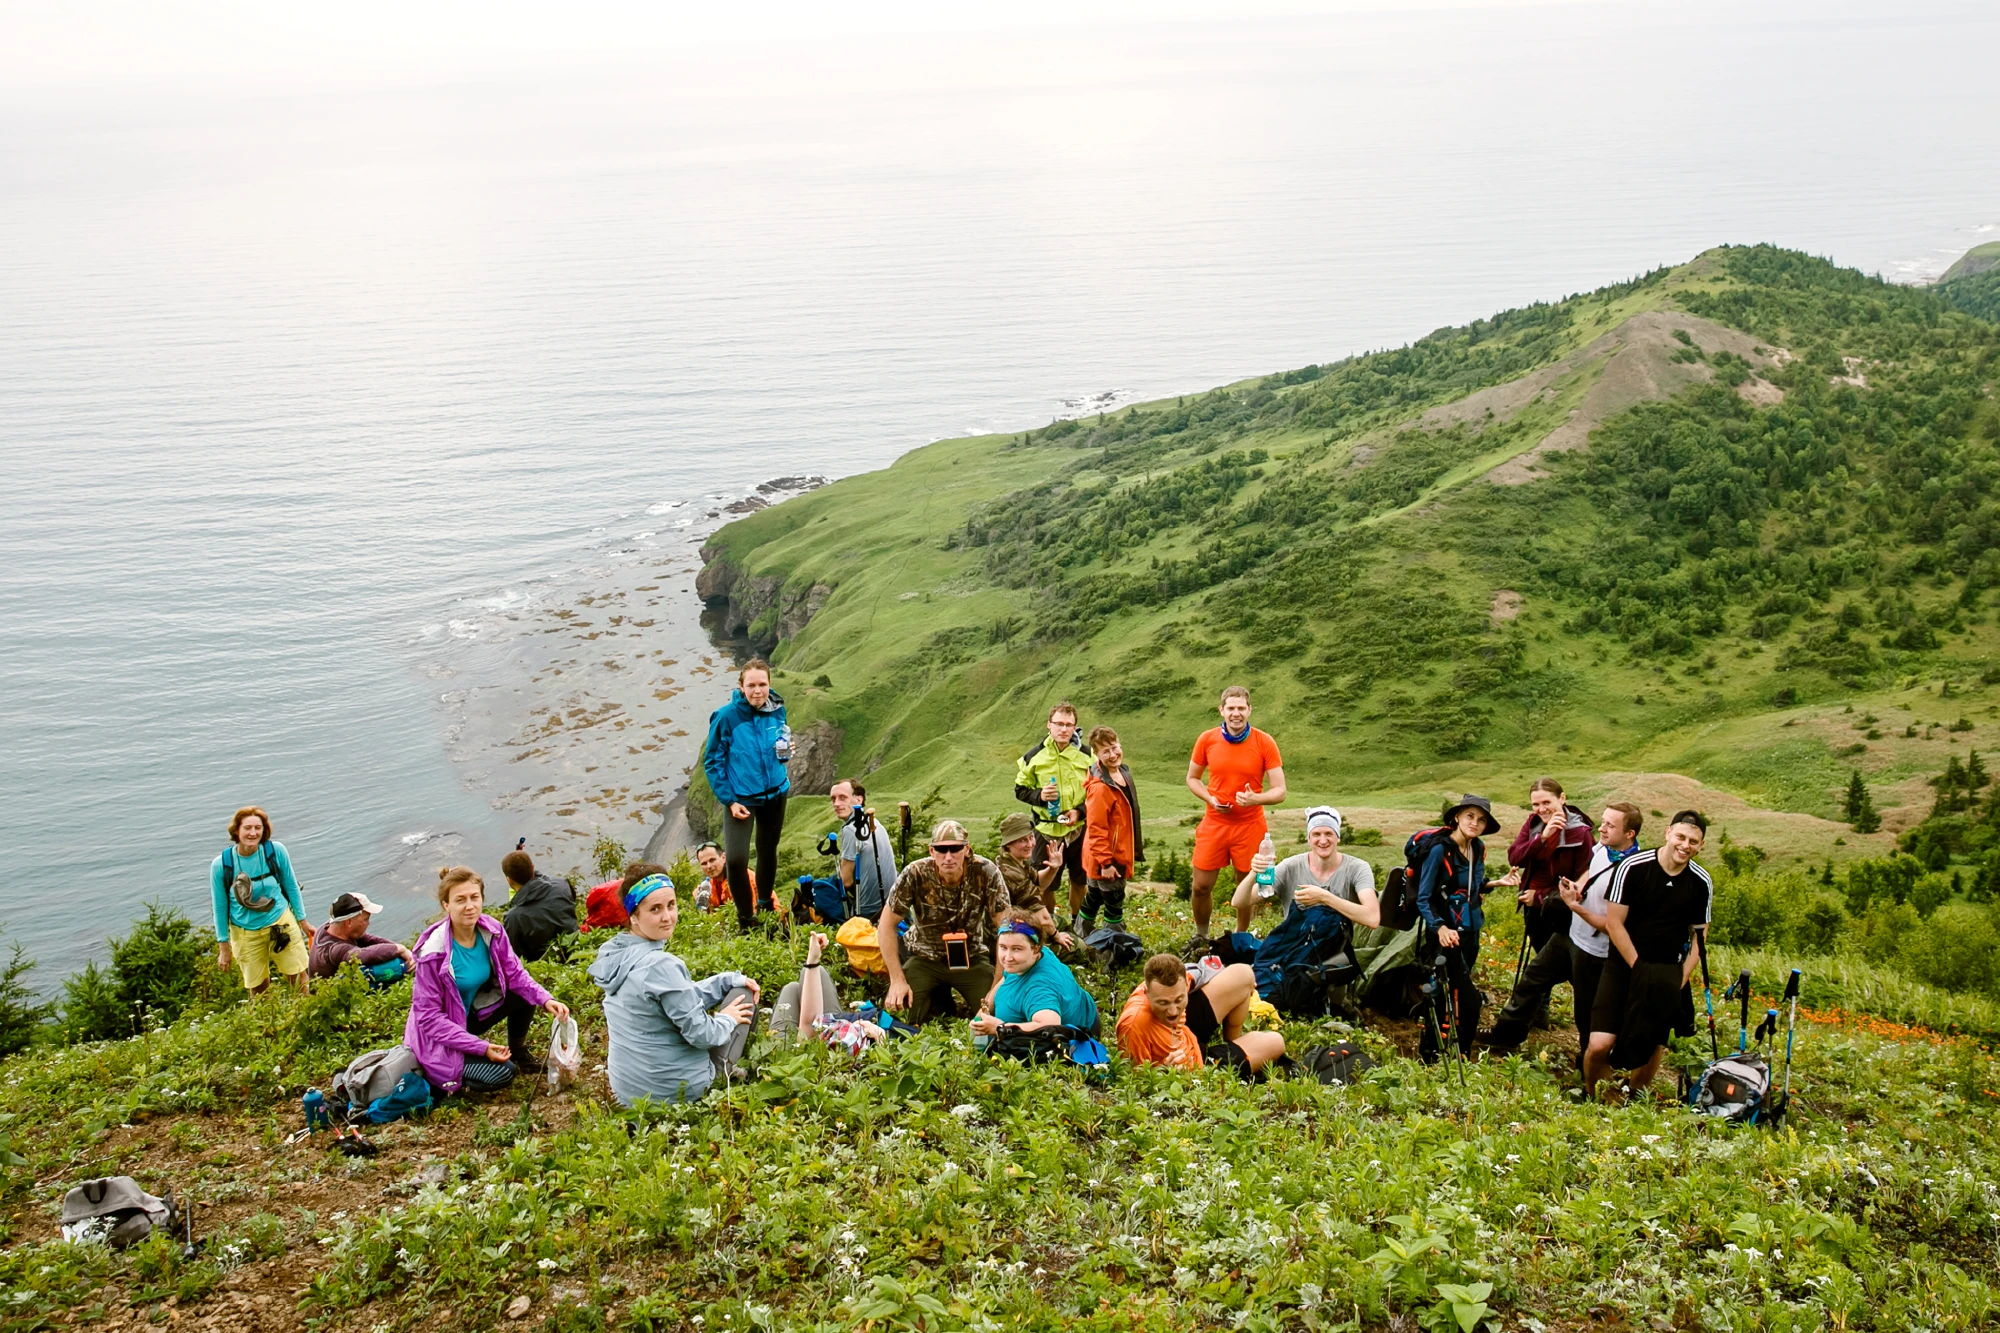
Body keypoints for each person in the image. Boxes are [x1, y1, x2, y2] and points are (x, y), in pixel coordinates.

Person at [589, 870, 762, 1106]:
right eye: (655, 909)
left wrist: (725, 980)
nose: (667, 917)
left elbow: (677, 996)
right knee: (744, 994)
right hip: (676, 1092)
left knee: (734, 987)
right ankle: (748, 1070)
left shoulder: (617, 955)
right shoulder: (661, 965)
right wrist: (726, 1019)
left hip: (630, 1095)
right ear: (634, 916)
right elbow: (702, 1035)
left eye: (671, 905)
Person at [1486, 802, 1640, 1049]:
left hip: (1596, 950)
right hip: (1570, 933)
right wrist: (1578, 887)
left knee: (1587, 1010)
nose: (1601, 828)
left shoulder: (1633, 871)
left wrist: (1574, 906)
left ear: (1630, 834)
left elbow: (1616, 925)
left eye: (1610, 825)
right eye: (1603, 821)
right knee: (1533, 978)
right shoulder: (1604, 847)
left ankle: (1588, 1063)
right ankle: (1504, 1037)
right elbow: (1590, 871)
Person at [1583, 811, 1713, 1101]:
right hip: (1622, 964)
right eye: (1680, 837)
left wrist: (1683, 976)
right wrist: (1637, 966)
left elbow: (1700, 935)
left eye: (1693, 841)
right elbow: (1614, 923)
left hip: (1667, 969)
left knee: (1653, 1042)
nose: (1685, 845)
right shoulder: (1633, 866)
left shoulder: (1701, 881)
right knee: (1600, 1043)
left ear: (1701, 845)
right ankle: (1593, 1095)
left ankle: (1634, 1098)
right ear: (1668, 833)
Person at [406, 867, 569, 1096]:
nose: (469, 906)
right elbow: (429, 1018)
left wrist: (545, 999)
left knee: (523, 993)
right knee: (503, 1073)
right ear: (446, 905)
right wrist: (481, 1048)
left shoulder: (490, 931)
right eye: (460, 900)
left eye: (474, 897)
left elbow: (515, 974)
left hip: (465, 1018)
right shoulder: (433, 953)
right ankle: (440, 1082)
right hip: (437, 1038)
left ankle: (518, 1052)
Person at [879, 819, 1012, 1026]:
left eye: (955, 849)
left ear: (966, 849)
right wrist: (896, 979)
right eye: (941, 850)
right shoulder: (915, 872)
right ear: (931, 851)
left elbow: (1006, 928)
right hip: (925, 958)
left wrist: (997, 984)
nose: (948, 857)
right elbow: (886, 925)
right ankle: (937, 1000)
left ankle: (948, 1002)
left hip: (971, 957)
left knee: (997, 1011)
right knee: (901, 1014)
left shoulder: (986, 871)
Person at [1184, 686, 1286, 947]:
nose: (1236, 713)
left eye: (1241, 708)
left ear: (1249, 710)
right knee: (1200, 886)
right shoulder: (1207, 739)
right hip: (1214, 822)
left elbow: (1280, 790)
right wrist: (1210, 799)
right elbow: (1192, 778)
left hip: (1250, 824)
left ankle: (1241, 937)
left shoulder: (1265, 742)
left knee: (1247, 886)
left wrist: (1255, 799)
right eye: (1231, 708)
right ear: (1222, 710)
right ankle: (1201, 935)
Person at [702, 658, 791, 930]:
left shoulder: (778, 709)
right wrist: (729, 800)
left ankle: (765, 905)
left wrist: (786, 752)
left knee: (767, 850)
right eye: (751, 685)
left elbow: (779, 747)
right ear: (741, 687)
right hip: (742, 798)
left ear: (769, 684)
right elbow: (713, 761)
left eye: (762, 684)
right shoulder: (726, 717)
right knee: (736, 860)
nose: (757, 691)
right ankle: (746, 920)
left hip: (776, 791)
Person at [1500, 778, 1596, 1028]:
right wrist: (1542, 837)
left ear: (1562, 799)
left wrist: (1540, 896)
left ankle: (1591, 1021)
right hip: (1533, 907)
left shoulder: (1580, 834)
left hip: (1560, 910)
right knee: (1540, 957)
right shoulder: (1534, 824)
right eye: (1535, 804)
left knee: (1555, 965)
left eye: (1546, 802)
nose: (1541, 809)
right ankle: (1539, 1013)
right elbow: (1515, 857)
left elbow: (1583, 883)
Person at [1413, 795, 1498, 1061]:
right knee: (1448, 992)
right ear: (1457, 817)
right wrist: (1439, 928)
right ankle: (1434, 1052)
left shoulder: (1478, 848)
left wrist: (1496, 883)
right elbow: (1424, 897)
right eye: (1470, 816)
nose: (1475, 823)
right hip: (1444, 935)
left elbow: (1472, 888)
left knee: (1457, 989)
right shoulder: (1440, 850)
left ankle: (1450, 1046)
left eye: (1481, 819)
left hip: (1470, 930)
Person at [1117, 953, 1286, 1079]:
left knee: (1243, 974)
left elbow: (1204, 972)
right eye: (1163, 1003)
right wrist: (1165, 1073)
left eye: (1179, 1000)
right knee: (1275, 1042)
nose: (1173, 1011)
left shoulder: (1181, 981)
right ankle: (1230, 1055)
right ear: (1146, 993)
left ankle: (1232, 1043)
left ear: (1185, 985)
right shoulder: (1134, 1025)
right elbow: (1135, 1080)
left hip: (1187, 1033)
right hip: (1193, 1065)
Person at [209, 805, 311, 996]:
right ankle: (264, 1016)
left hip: (280, 922)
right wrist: (224, 946)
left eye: (258, 828)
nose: (253, 833)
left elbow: (291, 886)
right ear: (236, 830)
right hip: (245, 931)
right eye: (247, 828)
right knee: (258, 988)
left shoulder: (275, 851)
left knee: (298, 977)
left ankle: (308, 1012)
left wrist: (302, 921)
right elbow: (220, 907)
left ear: (264, 830)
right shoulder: (221, 865)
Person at [1231, 805, 1378, 933]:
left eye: (1329, 834)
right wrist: (1254, 872)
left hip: (1338, 950)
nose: (1323, 840)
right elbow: (1239, 902)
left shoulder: (1358, 868)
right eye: (1316, 834)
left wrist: (1324, 897)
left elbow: (1372, 918)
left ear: (1338, 837)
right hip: (1294, 948)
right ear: (1308, 839)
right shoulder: (1290, 867)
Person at [1012, 702, 1094, 927]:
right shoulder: (1034, 756)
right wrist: (1039, 796)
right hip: (1046, 831)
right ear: (1049, 725)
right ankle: (1049, 926)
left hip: (1078, 829)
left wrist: (1080, 812)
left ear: (1075, 727)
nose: (1063, 729)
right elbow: (1019, 790)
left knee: (1080, 881)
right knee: (1044, 883)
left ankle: (1079, 926)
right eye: (1059, 724)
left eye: (1069, 725)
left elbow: (1098, 792)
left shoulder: (1088, 755)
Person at [770, 932, 906, 1055]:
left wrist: (813, 961)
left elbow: (809, 1028)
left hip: (808, 1050)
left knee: (791, 988)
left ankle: (782, 1051)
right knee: (805, 980)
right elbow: (811, 1024)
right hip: (844, 1037)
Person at [972, 913, 1100, 1039]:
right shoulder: (1030, 959)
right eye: (1003, 947)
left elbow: (1050, 1026)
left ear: (1036, 949)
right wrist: (983, 1012)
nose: (1008, 957)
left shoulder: (1040, 988)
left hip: (1075, 1040)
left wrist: (1000, 1028)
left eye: (1017, 949)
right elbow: (1005, 978)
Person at [1079, 726, 1145, 937]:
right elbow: (1096, 827)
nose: (1113, 754)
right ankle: (1113, 943)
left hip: (1109, 853)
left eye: (1115, 747)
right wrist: (1106, 863)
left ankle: (1081, 933)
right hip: (1108, 857)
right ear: (1096, 754)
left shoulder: (1122, 772)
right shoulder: (1100, 788)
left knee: (1095, 896)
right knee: (1114, 903)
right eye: (1105, 751)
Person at [993, 813, 1072, 948]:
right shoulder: (1011, 873)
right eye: (1022, 840)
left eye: (1031, 837)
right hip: (1012, 936)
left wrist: (1053, 868)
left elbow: (1039, 883)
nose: (1030, 844)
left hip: (1018, 924)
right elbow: (1043, 919)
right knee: (1076, 946)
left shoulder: (1011, 861)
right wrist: (1057, 937)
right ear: (1008, 844)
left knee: (1061, 922)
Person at [308, 892, 413, 986]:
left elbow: (369, 939)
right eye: (365, 919)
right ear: (349, 922)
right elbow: (362, 955)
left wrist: (400, 949)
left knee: (389, 954)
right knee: (397, 965)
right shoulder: (334, 949)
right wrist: (399, 949)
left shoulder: (331, 926)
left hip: (338, 983)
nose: (368, 923)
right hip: (331, 996)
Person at [831, 778, 899, 922]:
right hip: (893, 901)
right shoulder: (874, 822)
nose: (836, 803)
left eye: (842, 798)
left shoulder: (851, 829)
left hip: (869, 910)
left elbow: (846, 881)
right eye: (833, 799)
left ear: (859, 799)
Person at [497, 848, 577, 963]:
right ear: (533, 867)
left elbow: (515, 956)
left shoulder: (513, 918)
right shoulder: (562, 885)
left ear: (509, 880)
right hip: (575, 948)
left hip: (546, 965)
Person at [693, 842, 748, 915]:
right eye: (704, 863)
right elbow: (712, 916)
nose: (709, 866)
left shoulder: (741, 878)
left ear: (723, 858)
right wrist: (701, 902)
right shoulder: (710, 885)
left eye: (712, 860)